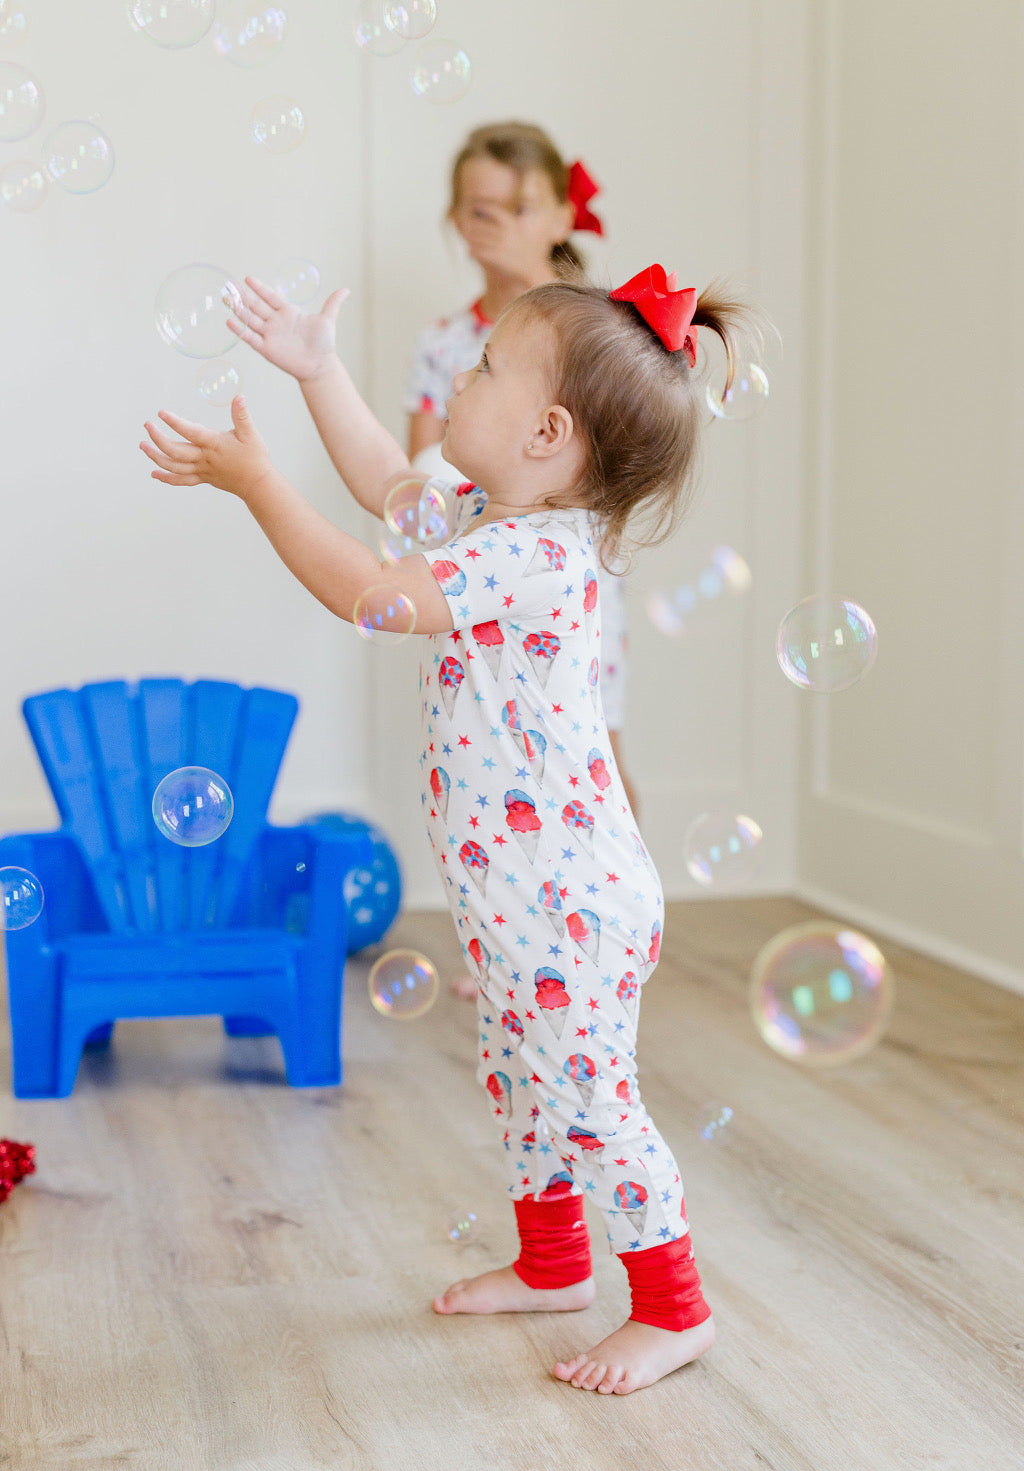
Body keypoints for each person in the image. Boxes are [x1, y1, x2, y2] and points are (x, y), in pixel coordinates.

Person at [139, 262, 757, 1395]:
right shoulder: (491, 513)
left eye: (482, 370)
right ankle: (553, 1263)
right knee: (521, 1079)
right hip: (515, 891)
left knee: (589, 1101)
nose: (459, 381)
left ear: (546, 431)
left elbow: (367, 588)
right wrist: (318, 371)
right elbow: (389, 485)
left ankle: (675, 1310)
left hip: (570, 903)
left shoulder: (534, 555)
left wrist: (258, 483)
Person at [404, 123, 634, 810]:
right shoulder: (444, 343)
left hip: (566, 579)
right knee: (509, 772)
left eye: (520, 208)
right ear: (455, 221)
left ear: (564, 217)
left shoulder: (595, 337)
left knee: (596, 758)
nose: (498, 225)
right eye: (481, 209)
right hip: (477, 576)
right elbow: (417, 476)